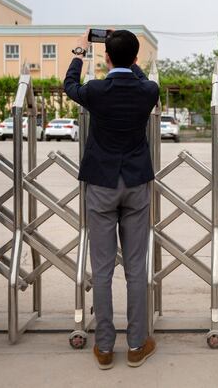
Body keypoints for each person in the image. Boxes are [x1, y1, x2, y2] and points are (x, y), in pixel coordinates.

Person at [64, 29, 159, 370]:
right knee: (136, 268)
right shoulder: (148, 90)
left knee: (102, 269)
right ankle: (136, 345)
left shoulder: (95, 90)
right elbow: (141, 78)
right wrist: (129, 63)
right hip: (135, 182)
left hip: (101, 182)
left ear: (106, 58)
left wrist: (80, 52)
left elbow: (70, 86)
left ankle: (104, 347)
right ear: (136, 59)